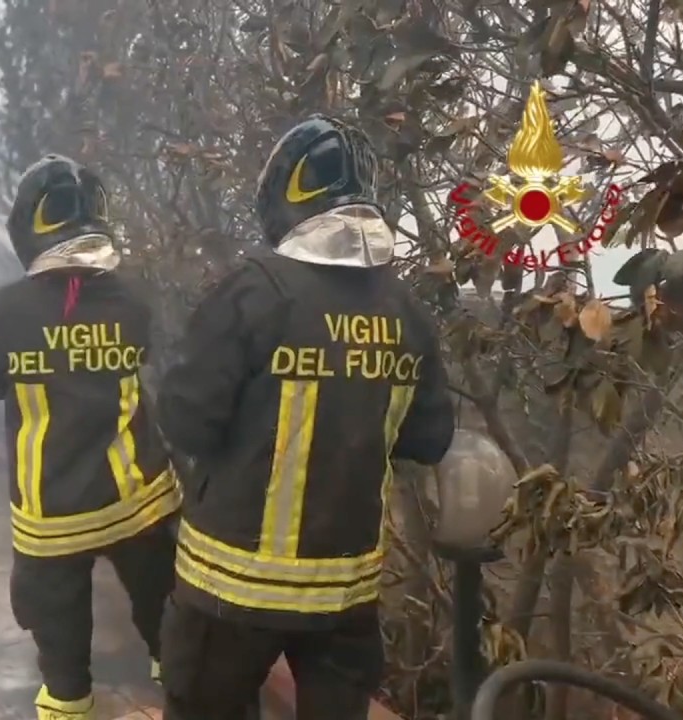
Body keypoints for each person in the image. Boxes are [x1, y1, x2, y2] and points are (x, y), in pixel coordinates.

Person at [155, 115, 457, 720]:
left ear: (283, 198)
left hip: (229, 592)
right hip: (344, 598)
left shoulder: (253, 292)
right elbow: (429, 439)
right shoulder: (405, 314)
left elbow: (187, 421)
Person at [0, 154, 181, 720]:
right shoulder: (131, 298)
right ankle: (175, 670)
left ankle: (68, 701)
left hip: (52, 508)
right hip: (135, 495)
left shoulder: (8, 308)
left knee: (56, 613)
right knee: (157, 589)